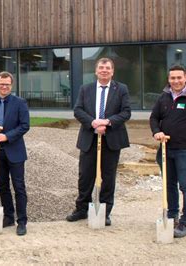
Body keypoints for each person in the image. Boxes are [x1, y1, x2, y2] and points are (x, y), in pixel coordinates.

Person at [67, 57, 131, 226]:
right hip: (89, 137)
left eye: (107, 68)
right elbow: (78, 110)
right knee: (85, 176)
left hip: (112, 139)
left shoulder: (121, 89)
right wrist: (93, 122)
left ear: (112, 71)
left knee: (108, 177)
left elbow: (126, 112)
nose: (104, 70)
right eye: (101, 67)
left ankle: (105, 212)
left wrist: (107, 122)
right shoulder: (85, 89)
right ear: (96, 71)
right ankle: (82, 209)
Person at [149, 65, 186, 238]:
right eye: (172, 78)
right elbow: (154, 117)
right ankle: (172, 215)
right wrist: (156, 132)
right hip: (166, 149)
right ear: (168, 79)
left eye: (179, 78)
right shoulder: (163, 98)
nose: (175, 81)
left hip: (185, 150)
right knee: (169, 185)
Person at [0, 71, 30, 236]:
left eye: (7, 84)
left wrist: (7, 136)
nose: (4, 86)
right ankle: (9, 216)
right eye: (1, 84)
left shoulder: (20, 103)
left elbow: (25, 125)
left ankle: (22, 221)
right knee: (3, 186)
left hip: (15, 151)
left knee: (19, 187)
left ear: (11, 85)